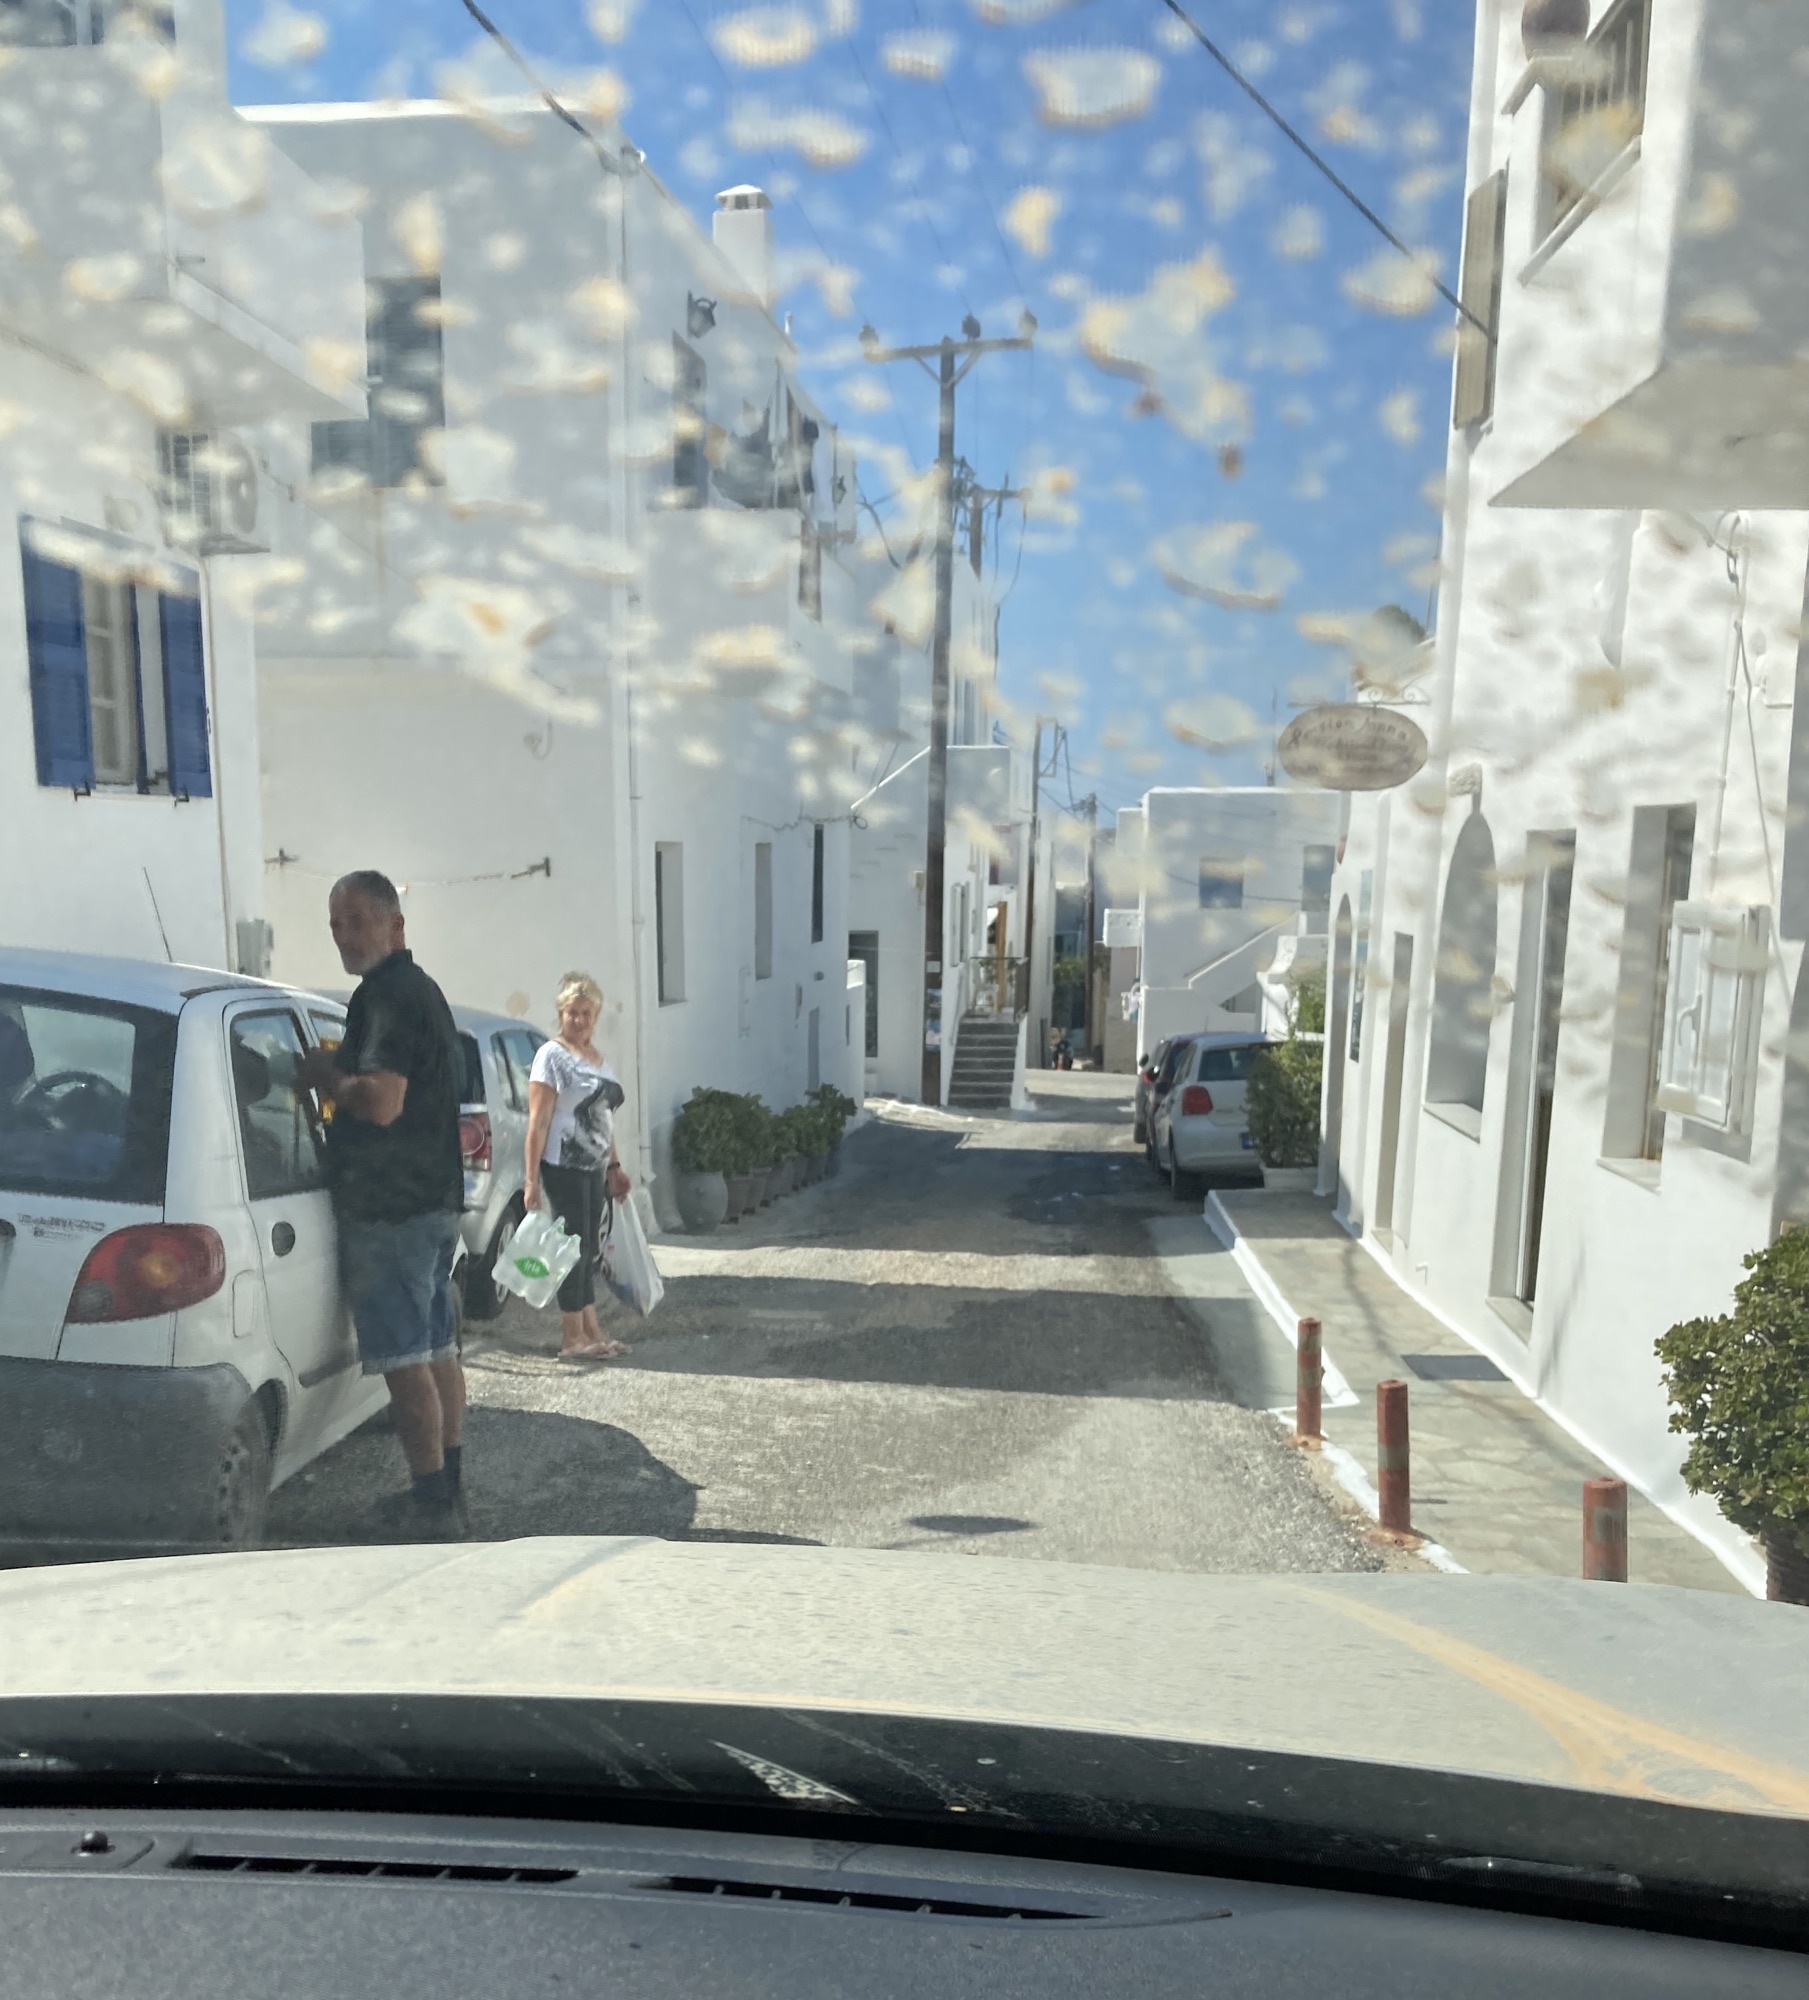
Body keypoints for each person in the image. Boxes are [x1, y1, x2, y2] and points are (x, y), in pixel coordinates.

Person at [297, 871, 468, 1540]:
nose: (345, 937)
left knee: (404, 1362)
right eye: (336, 925)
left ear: (396, 925)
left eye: (358, 921)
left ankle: (431, 1506)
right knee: (436, 1349)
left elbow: (383, 1102)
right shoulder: (420, 989)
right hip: (431, 1202)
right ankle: (448, 1492)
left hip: (392, 1210)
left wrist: (326, 1077)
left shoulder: (388, 994)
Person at [523, 972, 632, 1362]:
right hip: (563, 1164)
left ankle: (592, 1330)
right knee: (573, 1247)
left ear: (596, 1016)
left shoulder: (598, 1060)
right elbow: (538, 1121)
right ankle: (571, 1336)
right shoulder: (551, 1056)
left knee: (590, 1247)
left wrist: (614, 1166)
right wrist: (531, 1179)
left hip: (595, 1166)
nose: (580, 1020)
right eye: (573, 1012)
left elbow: (604, 1120)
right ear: (561, 1013)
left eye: (587, 1013)